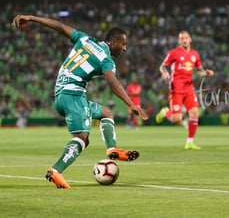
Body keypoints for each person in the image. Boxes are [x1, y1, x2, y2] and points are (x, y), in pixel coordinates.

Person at [12, 15, 148, 189]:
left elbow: (59, 26)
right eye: (124, 43)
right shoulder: (107, 59)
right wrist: (130, 104)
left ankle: (112, 149)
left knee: (106, 113)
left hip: (60, 93)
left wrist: (31, 18)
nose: (125, 48)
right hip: (73, 95)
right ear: (113, 42)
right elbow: (112, 81)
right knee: (82, 138)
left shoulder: (85, 39)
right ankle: (56, 170)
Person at [155, 31, 214, 150]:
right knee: (177, 119)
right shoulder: (174, 53)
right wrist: (164, 72)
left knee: (194, 113)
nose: (184, 40)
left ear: (190, 39)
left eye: (186, 38)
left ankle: (190, 142)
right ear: (179, 41)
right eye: (182, 38)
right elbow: (163, 66)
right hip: (176, 88)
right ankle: (165, 112)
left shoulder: (195, 55)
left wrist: (206, 73)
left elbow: (200, 70)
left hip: (189, 88)